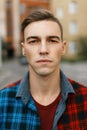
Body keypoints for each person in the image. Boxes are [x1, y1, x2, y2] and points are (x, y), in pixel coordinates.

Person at [0, 9, 87, 130]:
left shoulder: (85, 99)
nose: (43, 49)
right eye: (33, 41)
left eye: (52, 40)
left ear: (63, 47)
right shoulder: (2, 102)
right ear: (23, 49)